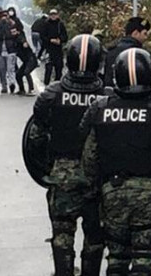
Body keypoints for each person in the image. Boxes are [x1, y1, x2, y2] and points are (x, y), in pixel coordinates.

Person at [80, 48, 151, 275]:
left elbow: (89, 156)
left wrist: (95, 188)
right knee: (144, 257)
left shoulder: (101, 108)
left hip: (113, 193)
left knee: (117, 257)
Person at [29, 35, 108, 276]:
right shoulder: (108, 98)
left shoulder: (51, 95)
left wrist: (47, 170)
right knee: (95, 235)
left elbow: (35, 139)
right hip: (98, 177)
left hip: (62, 174)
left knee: (62, 233)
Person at [103, 17, 151, 88]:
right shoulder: (140, 55)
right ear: (135, 33)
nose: (146, 37)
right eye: (145, 34)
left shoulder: (111, 50)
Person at [0, 11, 17, 94]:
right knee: (2, 70)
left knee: (11, 69)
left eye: (6, 16)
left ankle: (12, 83)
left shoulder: (13, 24)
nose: (4, 18)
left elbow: (16, 35)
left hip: (11, 50)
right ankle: (4, 86)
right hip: (0, 50)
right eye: (3, 16)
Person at [41, 9, 68, 85]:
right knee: (48, 68)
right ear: (49, 16)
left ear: (57, 15)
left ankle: (58, 85)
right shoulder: (46, 24)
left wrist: (60, 40)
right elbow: (42, 36)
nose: (53, 16)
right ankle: (46, 85)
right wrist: (50, 40)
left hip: (58, 50)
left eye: (55, 14)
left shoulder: (60, 24)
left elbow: (65, 36)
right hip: (49, 49)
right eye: (51, 14)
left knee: (59, 68)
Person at [13, 24, 37, 95]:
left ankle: (31, 89)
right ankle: (22, 90)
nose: (13, 33)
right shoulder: (13, 40)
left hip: (31, 59)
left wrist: (24, 42)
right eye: (12, 32)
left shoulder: (20, 37)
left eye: (14, 32)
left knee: (27, 72)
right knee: (18, 74)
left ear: (17, 31)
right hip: (26, 61)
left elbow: (22, 39)